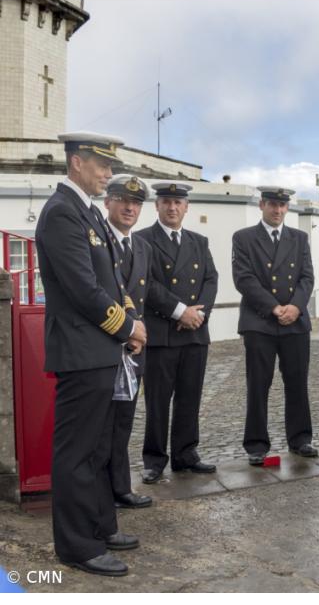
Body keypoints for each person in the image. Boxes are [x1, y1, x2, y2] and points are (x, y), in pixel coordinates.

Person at [37, 131, 146, 576]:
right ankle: (77, 546)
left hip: (102, 348)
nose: (107, 174)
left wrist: (130, 328)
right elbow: (84, 288)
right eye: (101, 165)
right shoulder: (62, 212)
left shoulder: (87, 213)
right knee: (77, 452)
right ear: (76, 162)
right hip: (82, 351)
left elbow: (113, 283)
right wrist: (126, 327)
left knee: (100, 448)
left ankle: (101, 526)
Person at [134, 182, 219, 483]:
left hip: (194, 333)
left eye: (178, 202)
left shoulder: (199, 241)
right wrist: (180, 310)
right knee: (157, 401)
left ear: (187, 207)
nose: (172, 208)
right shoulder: (141, 239)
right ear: (156, 205)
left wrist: (198, 314)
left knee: (189, 397)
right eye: (167, 202)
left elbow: (210, 279)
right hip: (160, 334)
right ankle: (154, 459)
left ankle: (186, 454)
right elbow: (147, 284)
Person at [231, 186, 317, 464]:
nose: (278, 211)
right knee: (258, 384)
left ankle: (301, 439)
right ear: (261, 206)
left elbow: (306, 278)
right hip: (260, 322)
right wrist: (273, 307)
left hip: (295, 321)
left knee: (297, 383)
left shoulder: (300, 238)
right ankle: (256, 444)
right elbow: (243, 279)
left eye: (282, 206)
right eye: (272, 205)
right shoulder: (243, 238)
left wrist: (295, 306)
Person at [103, 175, 165, 510]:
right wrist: (127, 331)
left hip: (134, 348)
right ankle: (101, 491)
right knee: (100, 424)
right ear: (107, 203)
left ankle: (120, 487)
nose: (129, 208)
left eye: (136, 203)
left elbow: (145, 295)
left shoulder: (143, 247)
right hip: (105, 343)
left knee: (124, 420)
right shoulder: (98, 240)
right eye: (122, 200)